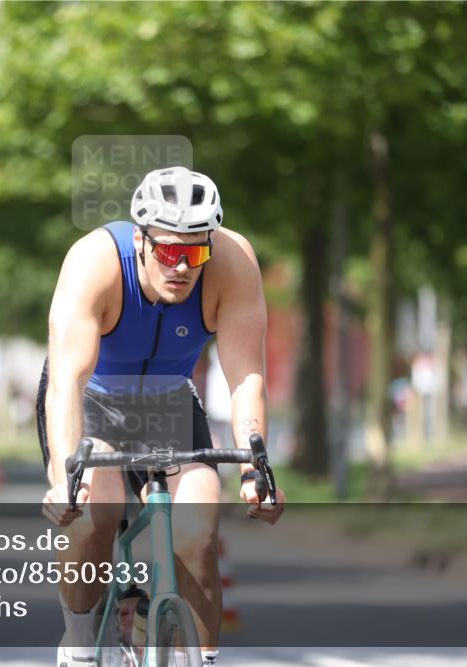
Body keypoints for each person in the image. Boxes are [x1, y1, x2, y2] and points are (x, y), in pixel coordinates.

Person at [38, 166, 287, 666]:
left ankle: (199, 660)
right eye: (170, 251)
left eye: (195, 252)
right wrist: (66, 477)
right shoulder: (94, 262)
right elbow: (68, 382)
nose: (182, 266)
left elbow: (245, 378)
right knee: (95, 511)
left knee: (199, 524)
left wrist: (256, 470)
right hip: (94, 396)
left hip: (169, 399)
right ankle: (81, 647)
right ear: (140, 240)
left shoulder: (233, 263)